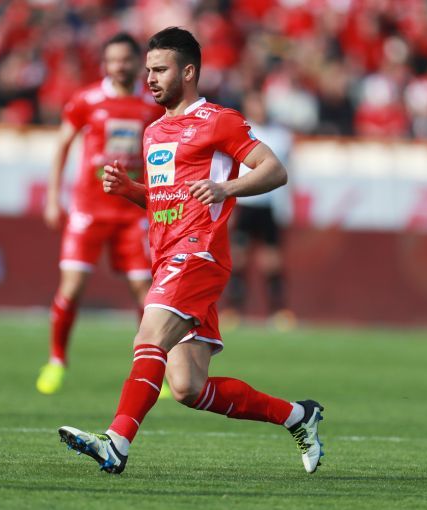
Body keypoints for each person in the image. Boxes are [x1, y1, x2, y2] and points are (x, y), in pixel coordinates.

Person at [58, 27, 324, 474]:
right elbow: (165, 200)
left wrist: (226, 188)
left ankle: (116, 442)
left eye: (160, 70)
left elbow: (274, 170)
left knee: (148, 338)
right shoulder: (153, 131)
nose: (150, 79)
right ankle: (298, 416)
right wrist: (130, 190)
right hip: (167, 255)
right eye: (148, 70)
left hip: (198, 254)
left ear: (188, 72)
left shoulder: (219, 120)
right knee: (187, 387)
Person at [36, 33, 164, 395]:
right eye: (113, 60)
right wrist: (52, 197)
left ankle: (153, 369)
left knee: (145, 291)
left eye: (126, 59)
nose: (120, 66)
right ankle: (56, 360)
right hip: (89, 210)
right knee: (72, 287)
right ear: (105, 64)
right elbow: (62, 144)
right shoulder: (86, 100)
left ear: (138, 62)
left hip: (133, 212)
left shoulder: (152, 103)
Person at [224, 91, 295, 327]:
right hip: (244, 204)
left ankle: (278, 311)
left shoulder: (281, 135)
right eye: (255, 103)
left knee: (272, 261)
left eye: (262, 103)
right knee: (238, 258)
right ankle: (233, 310)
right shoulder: (241, 131)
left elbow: (287, 173)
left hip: (268, 205)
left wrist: (287, 205)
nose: (260, 108)